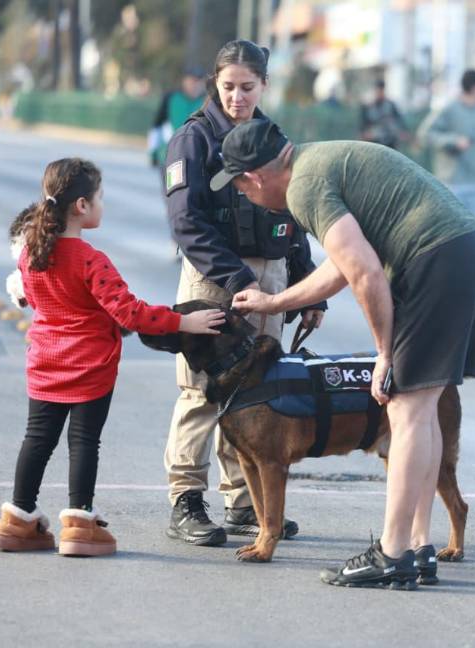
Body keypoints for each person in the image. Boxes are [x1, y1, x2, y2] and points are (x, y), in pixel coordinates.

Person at [219, 118, 475, 589]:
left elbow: (366, 274)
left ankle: (392, 552)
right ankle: (418, 546)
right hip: (472, 251)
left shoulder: (304, 186)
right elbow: (343, 264)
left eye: (240, 189)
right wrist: (274, 302)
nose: (245, 197)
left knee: (406, 408)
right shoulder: (320, 159)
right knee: (423, 411)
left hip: (438, 258)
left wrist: (384, 353)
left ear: (254, 177)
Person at [0, 158, 224, 557]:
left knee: (37, 440)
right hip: (90, 368)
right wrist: (185, 321)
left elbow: (32, 296)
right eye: (99, 198)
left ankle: (17, 520)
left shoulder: (31, 255)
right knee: (84, 442)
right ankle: (79, 524)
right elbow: (131, 313)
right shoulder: (91, 260)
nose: (102, 205)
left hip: (44, 363)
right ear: (81, 205)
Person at [162, 40, 325, 548]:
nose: (236, 97)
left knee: (258, 388)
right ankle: (187, 498)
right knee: (200, 391)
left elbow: (294, 215)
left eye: (247, 87)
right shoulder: (193, 140)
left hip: (271, 277)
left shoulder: (273, 139)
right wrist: (237, 280)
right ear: (215, 82)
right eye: (228, 86)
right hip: (215, 278)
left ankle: (243, 500)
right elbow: (186, 223)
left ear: (264, 86)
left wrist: (306, 290)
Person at [418, 69, 475, 216]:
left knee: (474, 234)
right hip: (451, 184)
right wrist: (453, 140)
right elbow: (425, 134)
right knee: (449, 233)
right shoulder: (449, 108)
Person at [148, 67, 206, 253]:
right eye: (191, 81)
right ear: (184, 81)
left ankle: (191, 240)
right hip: (171, 160)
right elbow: (156, 126)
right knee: (174, 200)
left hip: (197, 160)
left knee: (195, 202)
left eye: (198, 82)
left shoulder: (207, 100)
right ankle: (176, 239)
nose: (194, 85)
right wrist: (152, 152)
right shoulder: (171, 99)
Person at [359, 80, 409, 149]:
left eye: (381, 90)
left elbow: (399, 120)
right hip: (374, 141)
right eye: (378, 90)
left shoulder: (390, 105)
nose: (379, 93)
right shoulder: (367, 107)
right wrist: (365, 133)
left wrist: (402, 132)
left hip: (390, 140)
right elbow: (363, 125)